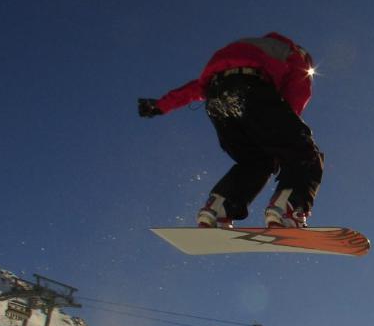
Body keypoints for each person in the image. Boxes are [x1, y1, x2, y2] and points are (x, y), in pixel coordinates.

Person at [138, 33, 323, 229]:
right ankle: (288, 209)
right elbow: (295, 95)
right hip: (251, 90)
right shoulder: (295, 55)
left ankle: (219, 209)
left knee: (256, 161)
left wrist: (159, 106)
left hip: (217, 99)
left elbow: (195, 88)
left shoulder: (248, 47)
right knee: (302, 150)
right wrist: (283, 132)